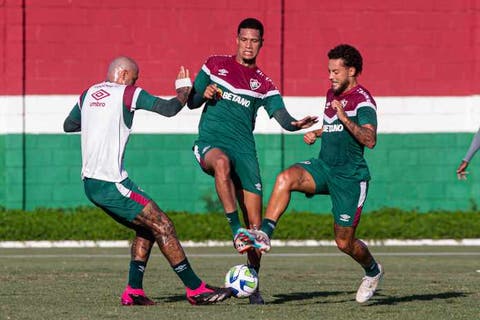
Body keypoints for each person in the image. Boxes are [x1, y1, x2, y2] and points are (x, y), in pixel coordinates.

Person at [63, 56, 232, 306]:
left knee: (146, 228)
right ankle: (196, 289)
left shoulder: (88, 93)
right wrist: (184, 91)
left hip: (92, 182)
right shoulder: (127, 93)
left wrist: (97, 122)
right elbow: (169, 109)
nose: (135, 81)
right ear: (122, 75)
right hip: (111, 182)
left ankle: (134, 291)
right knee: (163, 225)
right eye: (135, 77)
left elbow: (69, 125)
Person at [237, 44, 384, 304]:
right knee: (286, 178)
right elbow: (334, 128)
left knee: (344, 243)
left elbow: (369, 139)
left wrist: (344, 118)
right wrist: (317, 133)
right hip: (324, 167)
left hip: (350, 177)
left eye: (336, 71)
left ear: (351, 71)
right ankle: (264, 235)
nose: (330, 76)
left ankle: (373, 271)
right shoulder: (331, 93)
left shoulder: (363, 100)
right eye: (329, 71)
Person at [187, 18, 318, 304]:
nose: (248, 45)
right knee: (221, 163)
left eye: (254, 40)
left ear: (261, 43)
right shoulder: (214, 65)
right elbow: (191, 100)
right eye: (244, 39)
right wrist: (202, 93)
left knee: (257, 229)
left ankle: (253, 285)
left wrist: (297, 124)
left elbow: (282, 117)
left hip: (245, 152)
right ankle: (236, 230)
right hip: (212, 143)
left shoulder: (264, 84)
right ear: (237, 39)